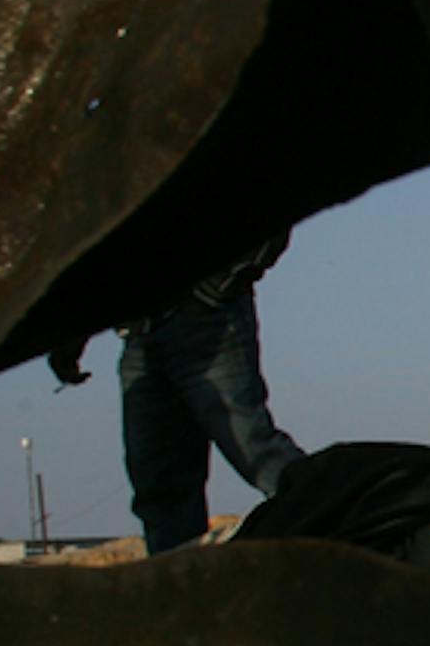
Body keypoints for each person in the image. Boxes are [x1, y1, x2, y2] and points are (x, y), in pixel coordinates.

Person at [119, 230, 305, 552]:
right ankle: (181, 591)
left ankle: (355, 538)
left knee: (257, 452)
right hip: (142, 331)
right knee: (158, 484)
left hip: (207, 322)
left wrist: (213, 291)